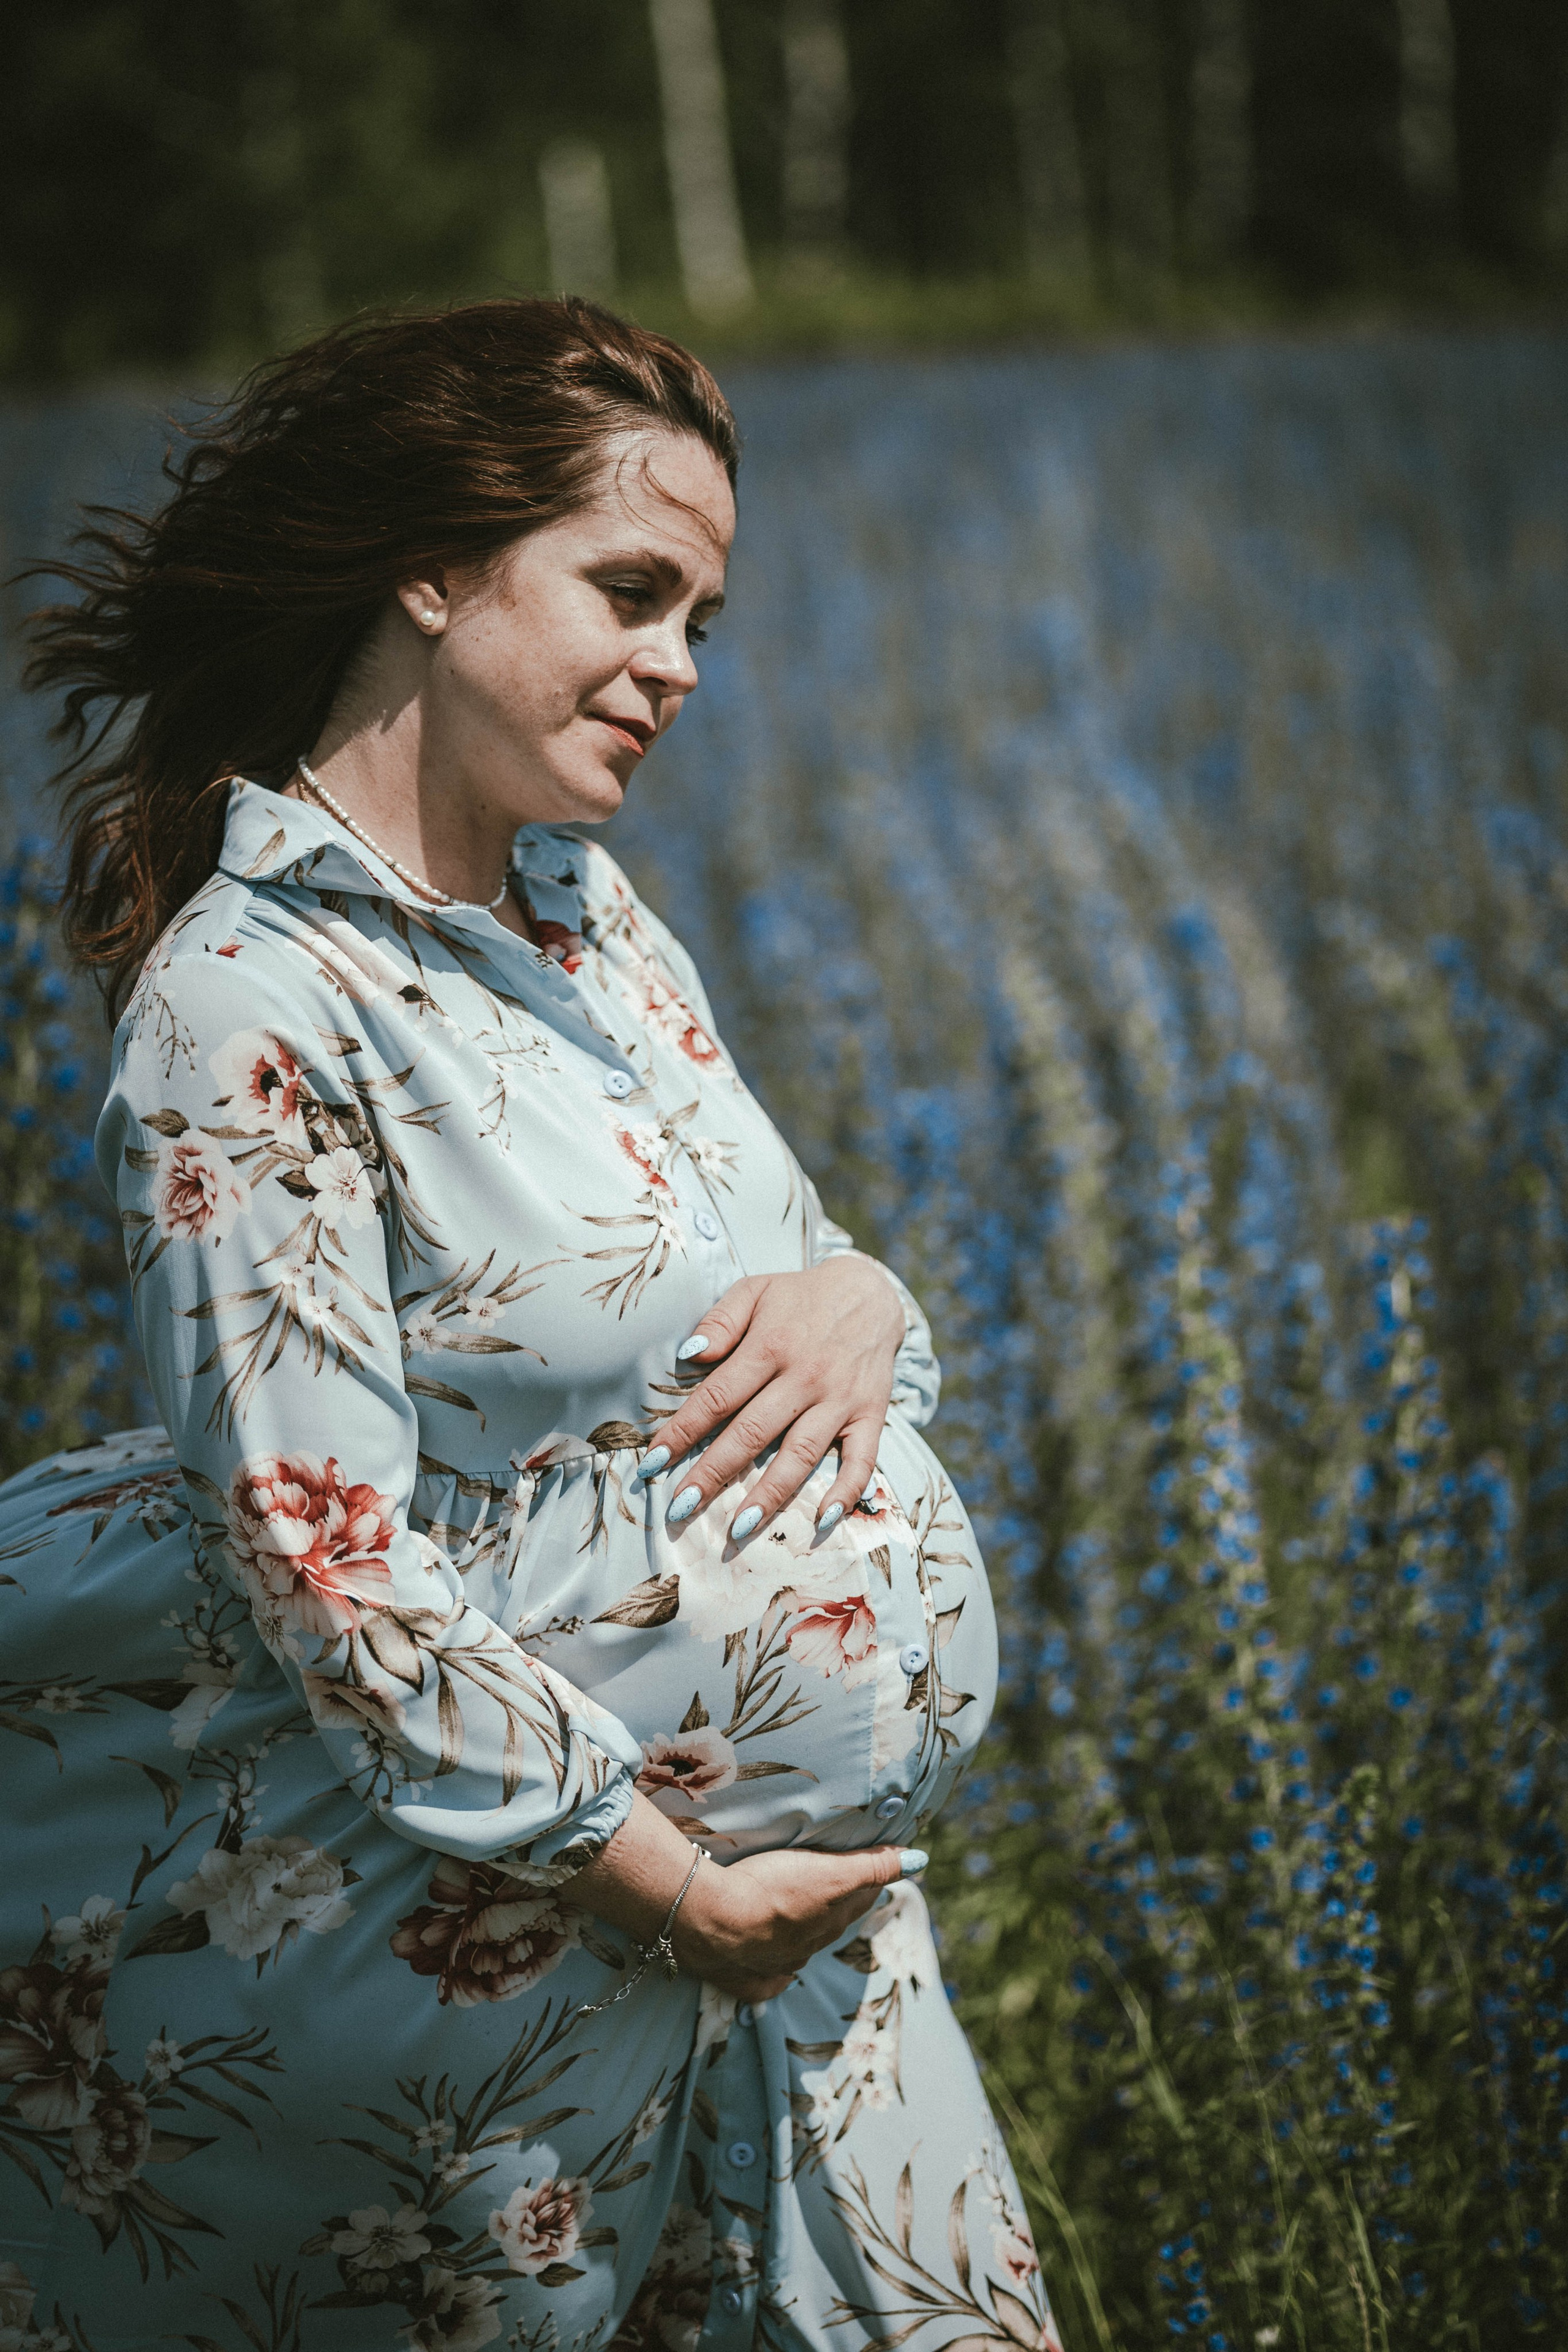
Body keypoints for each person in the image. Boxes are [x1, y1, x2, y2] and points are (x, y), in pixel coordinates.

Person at [0, 298, 1060, 2352]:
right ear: (431, 565)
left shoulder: (586, 919)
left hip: (776, 1948)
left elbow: (782, 1272)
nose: (678, 665)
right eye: (633, 590)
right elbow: (321, 1555)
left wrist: (872, 1294)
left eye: (706, 619)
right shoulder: (250, 1003)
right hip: (502, 1936)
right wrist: (663, 1883)